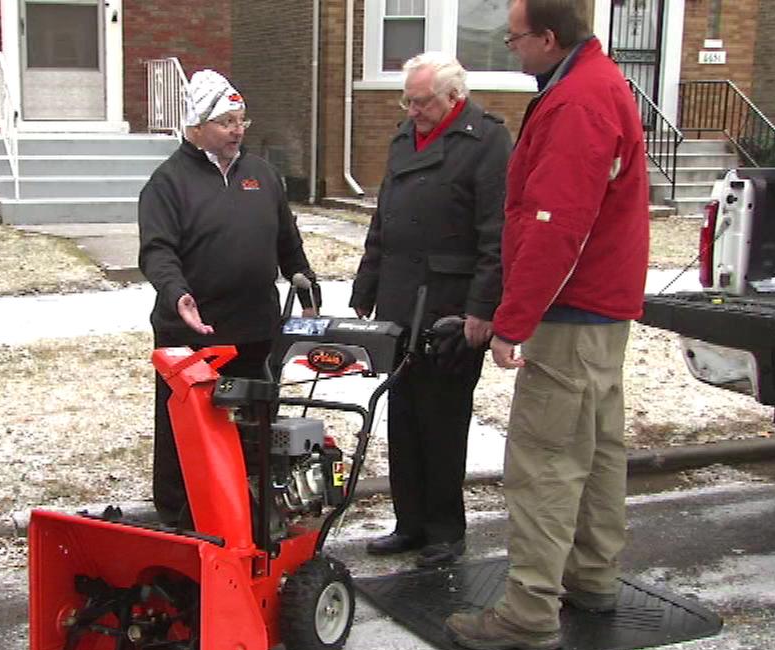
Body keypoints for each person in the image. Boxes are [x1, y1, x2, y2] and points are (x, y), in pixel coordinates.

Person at [444, 0, 650, 650]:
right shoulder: (595, 83)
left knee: (545, 459)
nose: (512, 50)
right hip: (601, 311)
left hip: (570, 313)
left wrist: (514, 322)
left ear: (550, 37)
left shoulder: (576, 104)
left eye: (516, 39)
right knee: (595, 450)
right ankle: (592, 577)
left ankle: (529, 612)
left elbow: (555, 225)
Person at [138, 69, 319, 528]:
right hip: (193, 334)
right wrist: (177, 294)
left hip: (256, 329)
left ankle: (252, 508)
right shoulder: (168, 182)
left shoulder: (262, 175)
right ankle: (181, 514)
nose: (237, 130)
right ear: (196, 126)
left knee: (256, 425)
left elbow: (287, 240)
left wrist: (306, 285)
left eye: (241, 120)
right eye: (225, 121)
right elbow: (157, 251)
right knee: (186, 427)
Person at [350, 52, 510, 568]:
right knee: (402, 416)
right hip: (400, 299)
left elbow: (496, 234)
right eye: (408, 100)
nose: (411, 110)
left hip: (449, 304)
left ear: (453, 99)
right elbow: (384, 220)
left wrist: (482, 310)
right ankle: (410, 521)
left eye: (421, 102)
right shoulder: (403, 137)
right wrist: (364, 290)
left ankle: (445, 530)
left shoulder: (485, 141)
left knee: (441, 420)